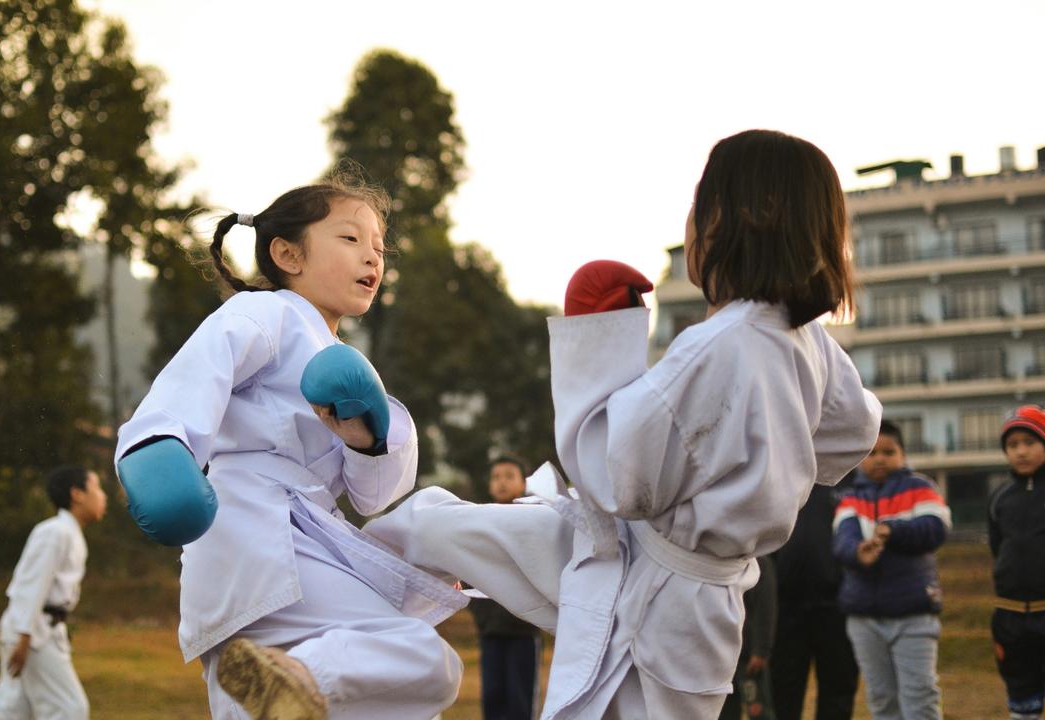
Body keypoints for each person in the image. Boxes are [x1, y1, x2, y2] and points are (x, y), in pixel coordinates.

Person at [367, 129, 882, 718]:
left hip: (662, 591)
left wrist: (600, 345)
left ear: (738, 217)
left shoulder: (721, 344)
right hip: (684, 580)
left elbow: (615, 480)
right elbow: (853, 433)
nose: (690, 221)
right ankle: (329, 632)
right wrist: (764, 452)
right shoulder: (805, 340)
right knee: (437, 525)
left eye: (699, 203)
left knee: (438, 529)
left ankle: (328, 626)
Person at [113, 174, 466, 720]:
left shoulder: (347, 360)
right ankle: (303, 673)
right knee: (423, 661)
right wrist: (158, 445)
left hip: (296, 541)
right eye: (351, 240)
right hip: (260, 528)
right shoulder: (268, 312)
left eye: (379, 248)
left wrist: (367, 442)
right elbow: (200, 372)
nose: (372, 258)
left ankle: (295, 680)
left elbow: (372, 498)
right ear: (287, 253)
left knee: (323, 704)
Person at [833, 420, 950, 720]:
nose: (880, 458)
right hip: (864, 618)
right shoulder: (849, 498)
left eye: (889, 451)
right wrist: (859, 553)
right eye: (871, 453)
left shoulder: (922, 488)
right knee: (881, 699)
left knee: (920, 696)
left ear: (903, 454)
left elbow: (935, 529)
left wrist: (892, 532)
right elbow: (842, 542)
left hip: (914, 614)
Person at [0, 466, 107, 720]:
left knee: (13, 708)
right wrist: (24, 636)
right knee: (70, 708)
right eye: (97, 488)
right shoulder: (54, 532)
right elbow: (31, 585)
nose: (104, 496)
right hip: (33, 633)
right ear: (77, 494)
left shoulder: (69, 533)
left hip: (42, 631)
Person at [988, 405, 1045, 720]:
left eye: (1029, 443)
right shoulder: (1000, 498)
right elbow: (996, 547)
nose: (1021, 451)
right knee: (1020, 695)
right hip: (1011, 615)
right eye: (1013, 445)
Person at [769, 470, 859, 720]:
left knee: (838, 690)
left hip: (838, 608)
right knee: (782, 691)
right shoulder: (785, 472)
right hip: (784, 609)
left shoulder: (853, 480)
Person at [469, 456, 542, 720]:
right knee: (492, 697)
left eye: (509, 476)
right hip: (490, 629)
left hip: (523, 629)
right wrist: (481, 614)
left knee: (519, 702)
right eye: (496, 477)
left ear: (523, 483)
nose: (502, 482)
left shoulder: (535, 521)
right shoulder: (480, 521)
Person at [719, 554, 777, 720]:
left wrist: (761, 651)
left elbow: (766, 608)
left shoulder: (759, 563)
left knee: (759, 712)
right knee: (723, 713)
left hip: (748, 658)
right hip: (722, 655)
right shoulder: (717, 559)